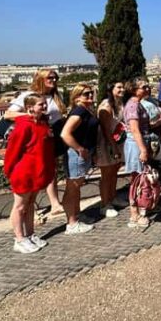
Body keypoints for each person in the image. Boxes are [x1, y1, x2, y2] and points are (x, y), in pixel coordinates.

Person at [4, 68, 66, 215]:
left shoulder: (56, 95)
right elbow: (8, 114)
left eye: (55, 77)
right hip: (34, 136)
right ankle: (39, 205)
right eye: (50, 78)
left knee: (51, 168)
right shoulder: (29, 96)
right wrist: (33, 116)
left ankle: (54, 202)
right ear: (41, 79)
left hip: (51, 134)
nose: (54, 80)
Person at [3, 94, 55, 253]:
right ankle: (19, 238)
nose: (45, 107)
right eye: (41, 105)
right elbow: (13, 150)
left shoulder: (42, 123)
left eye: (45, 104)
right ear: (30, 107)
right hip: (24, 171)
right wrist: (9, 170)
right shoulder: (24, 125)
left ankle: (30, 234)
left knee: (31, 203)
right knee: (19, 206)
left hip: (36, 170)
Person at [60, 83, 99, 235]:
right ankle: (71, 223)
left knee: (76, 188)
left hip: (82, 154)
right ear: (76, 97)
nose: (90, 96)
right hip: (76, 155)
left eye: (91, 93)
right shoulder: (79, 112)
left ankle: (76, 215)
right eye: (86, 94)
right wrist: (79, 149)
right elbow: (65, 133)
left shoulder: (86, 110)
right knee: (72, 189)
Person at [123, 78, 154, 227]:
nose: (147, 89)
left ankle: (143, 206)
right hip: (136, 145)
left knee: (143, 178)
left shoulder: (137, 104)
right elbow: (134, 129)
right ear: (134, 89)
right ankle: (134, 213)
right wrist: (142, 149)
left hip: (140, 142)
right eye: (144, 87)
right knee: (137, 179)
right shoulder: (133, 105)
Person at [94, 81, 125, 219]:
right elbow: (106, 129)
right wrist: (113, 146)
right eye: (119, 87)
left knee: (114, 171)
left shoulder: (119, 103)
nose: (122, 89)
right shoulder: (106, 106)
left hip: (116, 141)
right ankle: (104, 204)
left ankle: (112, 197)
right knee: (106, 174)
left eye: (122, 87)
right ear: (111, 89)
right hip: (106, 142)